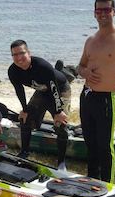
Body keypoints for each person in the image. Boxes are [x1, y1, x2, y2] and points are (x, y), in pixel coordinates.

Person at [77, 0, 115, 183]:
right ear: (94, 13)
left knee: (105, 146)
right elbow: (80, 67)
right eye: (99, 10)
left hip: (106, 98)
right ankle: (92, 182)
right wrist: (85, 72)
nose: (102, 14)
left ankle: (107, 186)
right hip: (87, 96)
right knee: (90, 144)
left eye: (106, 10)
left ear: (114, 12)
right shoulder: (90, 40)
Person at [8, 40, 71, 170]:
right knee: (25, 118)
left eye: (22, 53)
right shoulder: (13, 71)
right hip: (42, 91)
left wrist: (58, 111)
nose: (19, 58)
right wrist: (24, 109)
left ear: (29, 53)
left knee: (61, 124)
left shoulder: (42, 66)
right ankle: (24, 153)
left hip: (60, 90)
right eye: (15, 55)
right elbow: (19, 91)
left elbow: (54, 89)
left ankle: (61, 162)